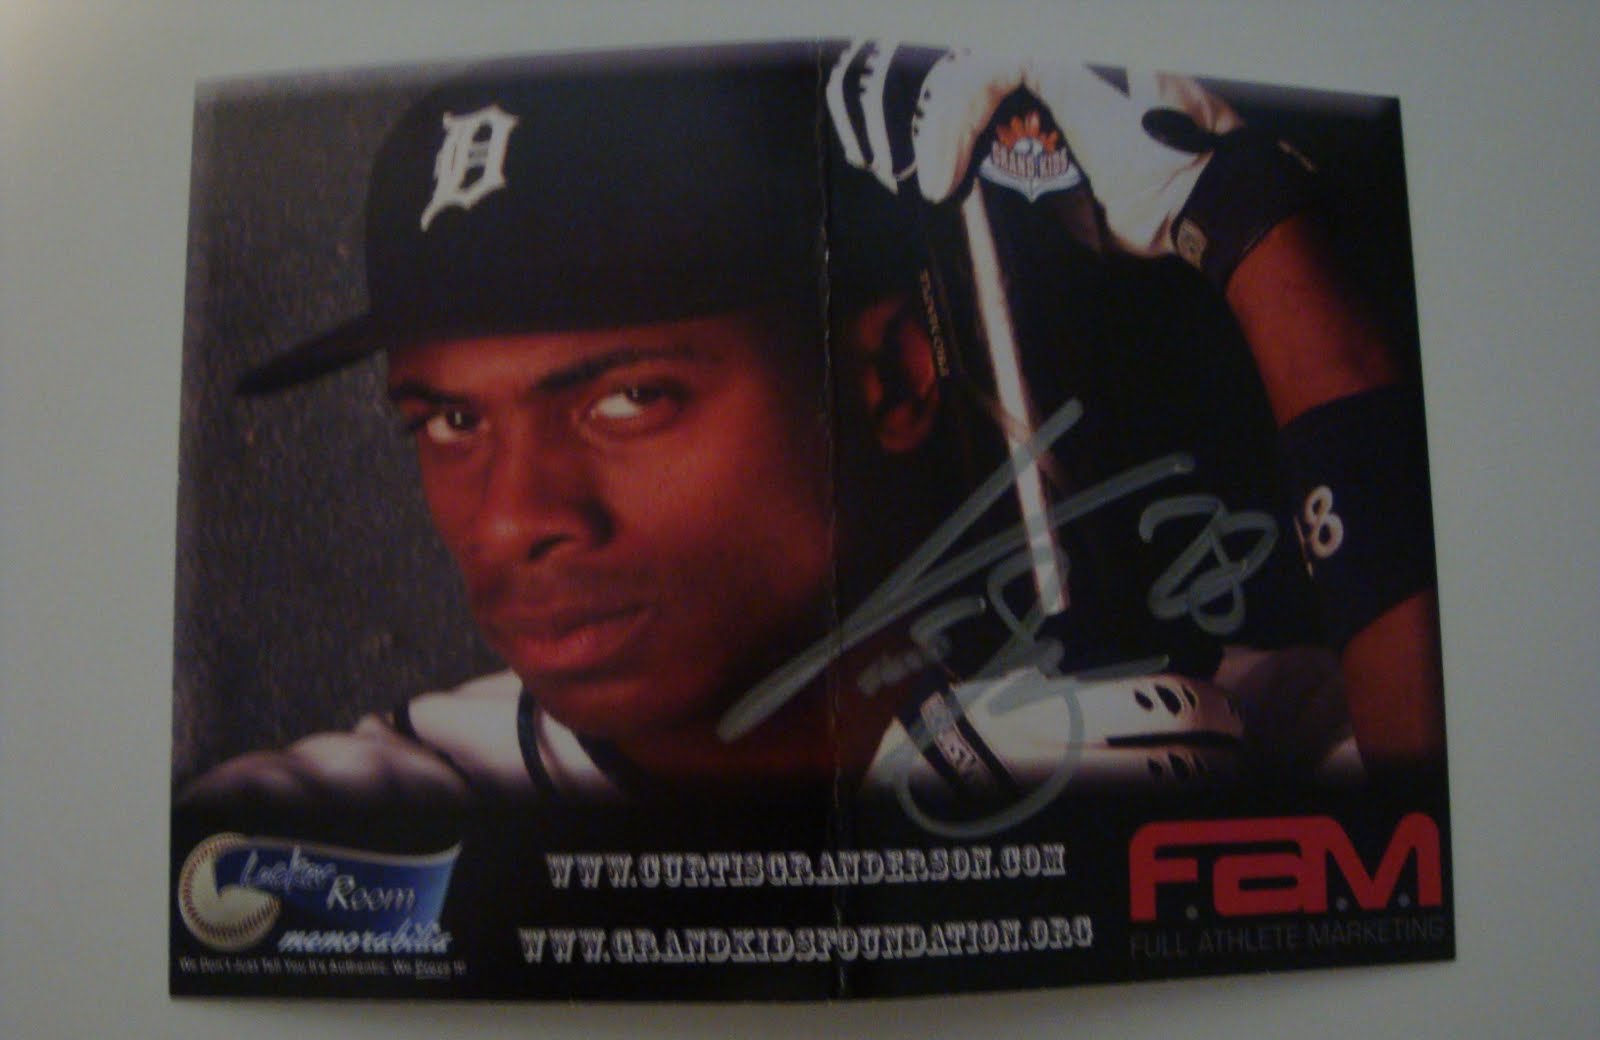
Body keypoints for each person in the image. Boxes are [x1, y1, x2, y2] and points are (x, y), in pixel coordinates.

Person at [181, 42, 1443, 829]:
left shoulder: (1238, 720)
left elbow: (1445, 897)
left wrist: (1247, 220)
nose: (514, 518)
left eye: (627, 398)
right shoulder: (330, 824)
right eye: (451, 419)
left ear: (892, 380)